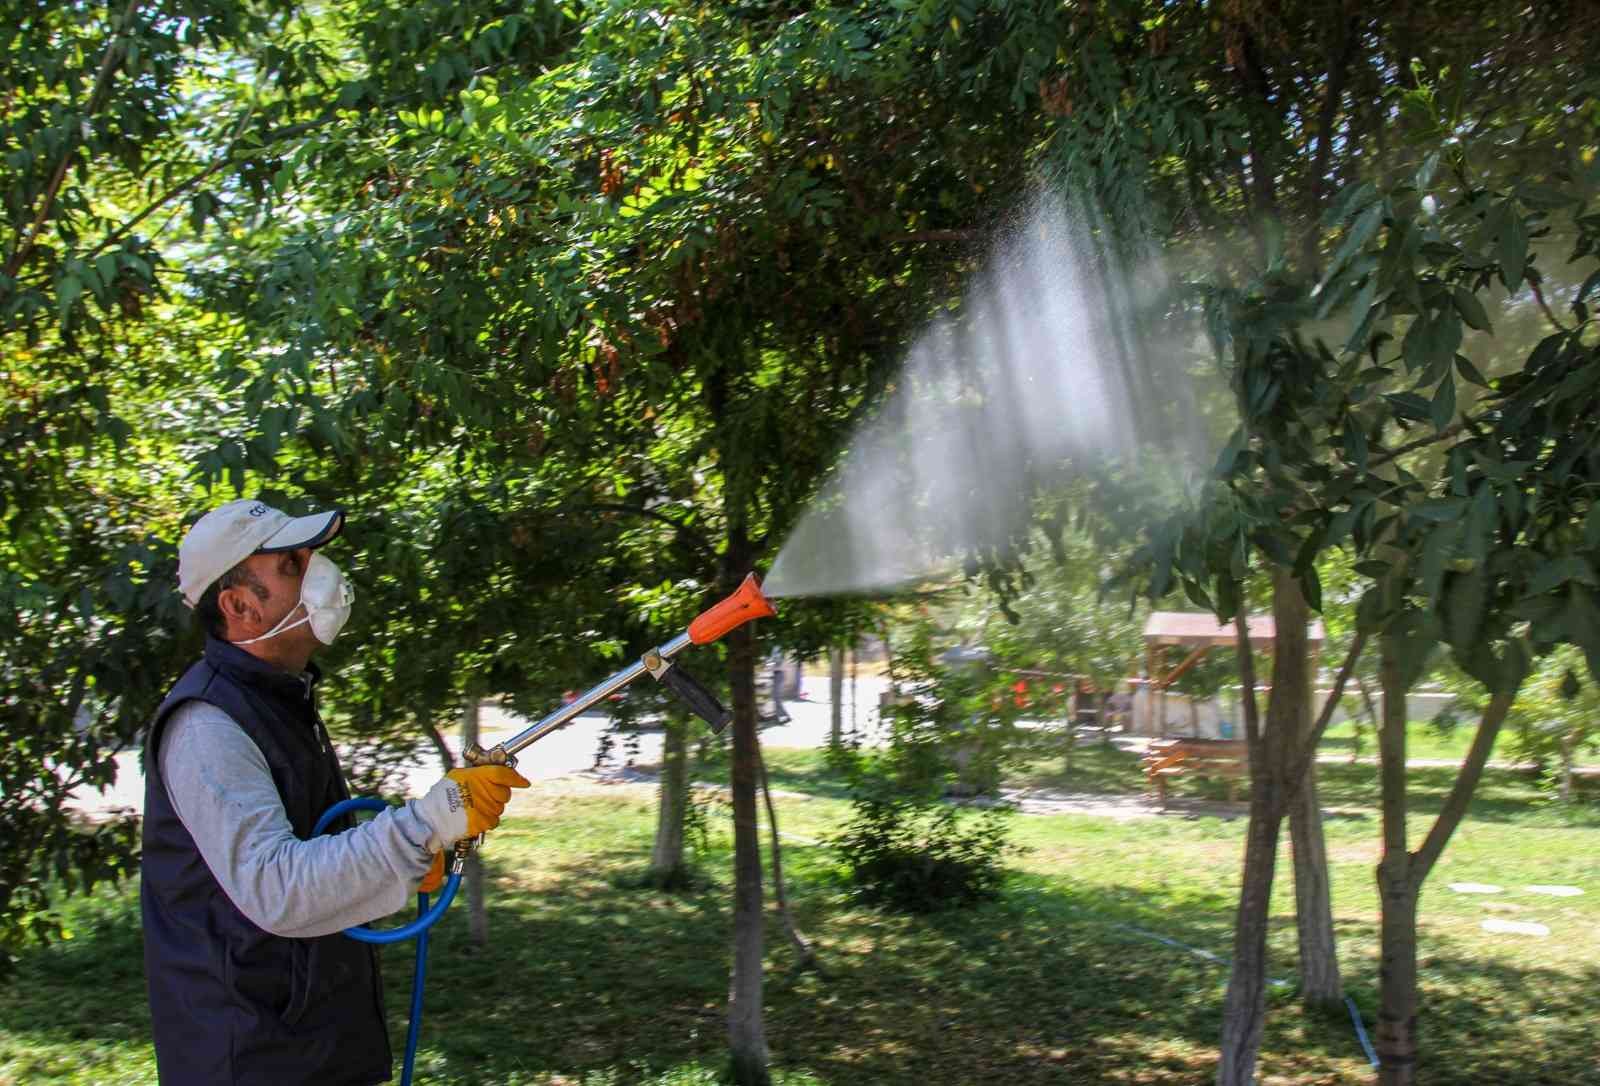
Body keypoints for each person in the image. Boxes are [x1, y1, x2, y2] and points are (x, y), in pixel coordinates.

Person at [140, 499, 529, 1085]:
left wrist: (406, 861)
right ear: (241, 606)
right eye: (293, 565)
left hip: (311, 1051)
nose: (321, 571)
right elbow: (276, 886)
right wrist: (424, 825)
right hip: (251, 1063)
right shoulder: (207, 727)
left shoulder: (279, 700)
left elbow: (313, 854)